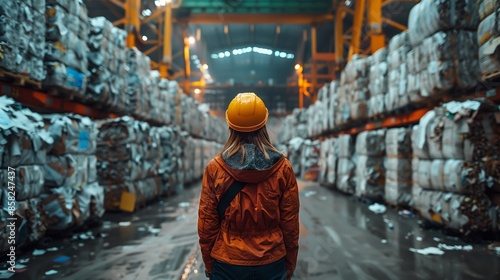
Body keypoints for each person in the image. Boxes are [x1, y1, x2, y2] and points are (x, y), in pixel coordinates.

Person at [198, 92, 300, 280]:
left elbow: (207, 225)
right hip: (271, 262)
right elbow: (290, 224)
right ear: (263, 124)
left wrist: (210, 264)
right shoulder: (282, 168)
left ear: (230, 126)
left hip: (228, 262)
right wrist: (289, 265)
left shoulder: (215, 168)